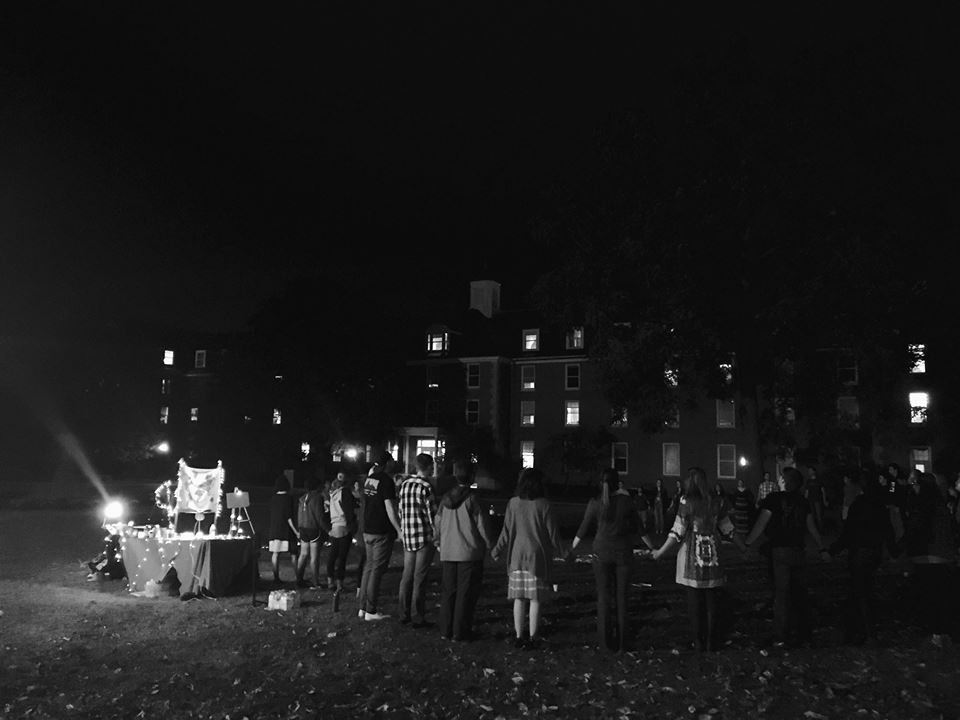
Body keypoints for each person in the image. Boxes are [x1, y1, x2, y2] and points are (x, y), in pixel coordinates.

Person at [652, 467, 745, 652]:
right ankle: (711, 641)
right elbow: (728, 528)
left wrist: (660, 552)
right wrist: (743, 546)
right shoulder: (716, 501)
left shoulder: (686, 501)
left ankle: (698, 641)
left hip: (692, 555)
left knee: (694, 600)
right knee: (711, 599)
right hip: (714, 554)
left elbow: (677, 531)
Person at [569, 468, 656, 653]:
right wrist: (652, 547)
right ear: (618, 483)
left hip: (601, 552)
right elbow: (641, 530)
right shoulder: (626, 502)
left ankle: (605, 643)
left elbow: (582, 530)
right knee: (622, 597)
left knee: (603, 597)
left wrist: (571, 548)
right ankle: (623, 642)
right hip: (623, 553)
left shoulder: (595, 503)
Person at [744, 467, 829, 647]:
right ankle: (803, 633)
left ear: (786, 481)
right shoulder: (802, 501)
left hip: (780, 549)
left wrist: (748, 542)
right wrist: (821, 547)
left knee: (781, 594)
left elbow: (762, 522)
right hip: (798, 549)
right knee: (799, 591)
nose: (779, 480)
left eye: (782, 478)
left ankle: (781, 635)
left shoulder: (774, 499)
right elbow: (811, 525)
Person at [491, 467, 566, 650]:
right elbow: (553, 534)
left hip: (517, 556)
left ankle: (518, 635)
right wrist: (565, 553)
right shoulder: (544, 505)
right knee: (535, 599)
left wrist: (496, 550)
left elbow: (506, 531)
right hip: (537, 558)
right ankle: (533, 636)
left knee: (519, 598)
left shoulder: (513, 503)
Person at [827, 471, 896, 645]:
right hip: (874, 551)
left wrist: (833, 550)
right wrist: (893, 549)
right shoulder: (879, 505)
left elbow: (849, 532)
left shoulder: (859, 505)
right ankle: (864, 629)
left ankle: (865, 631)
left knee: (860, 592)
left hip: (860, 551)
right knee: (865, 589)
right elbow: (888, 530)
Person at [434, 459, 495, 642]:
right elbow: (482, 525)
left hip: (448, 551)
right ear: (472, 476)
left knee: (449, 592)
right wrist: (490, 544)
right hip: (469, 552)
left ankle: (446, 629)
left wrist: (438, 540)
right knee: (465, 594)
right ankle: (461, 631)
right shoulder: (473, 499)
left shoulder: (445, 499)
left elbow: (437, 521)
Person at [901, 471, 958, 642]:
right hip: (942, 556)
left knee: (930, 596)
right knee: (943, 596)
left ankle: (935, 632)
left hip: (926, 557)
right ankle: (943, 631)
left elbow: (913, 533)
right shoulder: (942, 508)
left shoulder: (921, 507)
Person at [358, 454, 403, 621]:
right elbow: (390, 507)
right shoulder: (386, 481)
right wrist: (398, 529)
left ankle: (362, 607)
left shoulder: (370, 480)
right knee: (377, 570)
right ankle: (371, 610)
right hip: (381, 530)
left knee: (368, 568)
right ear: (388, 463)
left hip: (368, 528)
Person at [398, 453, 439, 628]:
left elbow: (401, 510)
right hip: (423, 536)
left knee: (407, 576)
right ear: (428, 467)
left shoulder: (405, 485)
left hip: (408, 536)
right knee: (419, 578)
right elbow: (432, 515)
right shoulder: (426, 488)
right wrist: (437, 536)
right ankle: (417, 616)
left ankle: (403, 612)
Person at [325, 470, 358, 596]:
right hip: (344, 526)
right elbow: (348, 510)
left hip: (334, 526)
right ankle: (339, 583)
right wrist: (353, 526)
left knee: (332, 556)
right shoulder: (345, 492)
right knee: (342, 558)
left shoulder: (334, 494)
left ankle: (330, 581)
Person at [295, 473, 328, 589]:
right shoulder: (318, 497)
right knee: (314, 557)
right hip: (313, 529)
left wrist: (299, 527)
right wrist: (327, 529)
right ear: (317, 486)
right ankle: (315, 582)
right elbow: (319, 516)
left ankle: (298, 579)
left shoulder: (303, 498)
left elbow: (299, 514)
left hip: (303, 528)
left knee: (303, 554)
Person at [267, 472, 298, 585]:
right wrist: (296, 531)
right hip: (286, 531)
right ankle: (298, 577)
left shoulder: (273, 498)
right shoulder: (288, 498)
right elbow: (289, 517)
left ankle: (276, 577)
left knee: (275, 554)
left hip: (274, 530)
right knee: (294, 554)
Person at [804, 466, 828, 533]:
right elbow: (807, 492)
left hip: (818, 500)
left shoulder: (819, 480)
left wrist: (824, 500)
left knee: (819, 516)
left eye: (810, 471)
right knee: (812, 516)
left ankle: (821, 530)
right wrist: (805, 501)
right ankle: (814, 530)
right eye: (809, 471)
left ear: (814, 471)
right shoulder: (808, 481)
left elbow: (823, 491)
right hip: (810, 500)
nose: (809, 472)